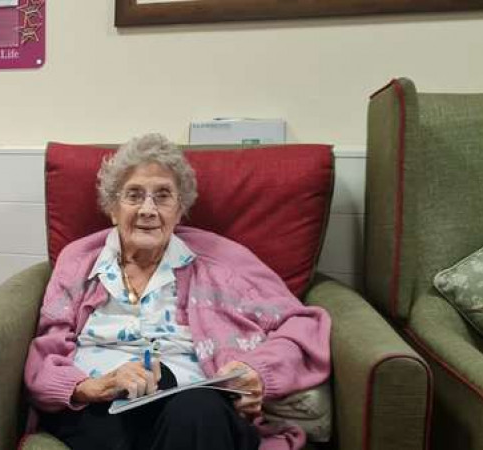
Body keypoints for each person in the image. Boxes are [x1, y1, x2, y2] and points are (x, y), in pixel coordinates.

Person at [24, 134, 331, 450]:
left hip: (196, 410)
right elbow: (46, 354)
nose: (148, 209)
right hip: (101, 411)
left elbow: (304, 326)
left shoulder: (224, 262)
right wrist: (91, 387)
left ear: (180, 209)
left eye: (162, 196)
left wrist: (259, 370)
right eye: (134, 195)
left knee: (189, 404)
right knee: (148, 402)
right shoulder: (79, 261)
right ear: (113, 209)